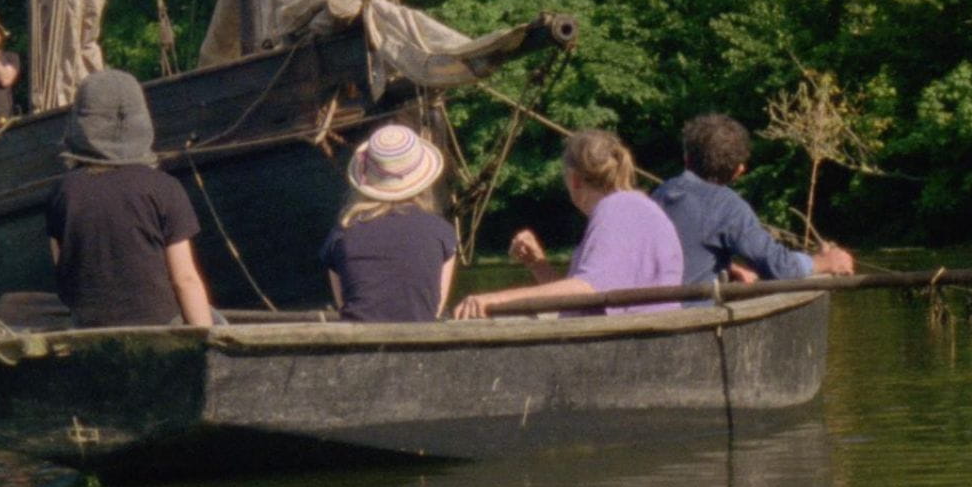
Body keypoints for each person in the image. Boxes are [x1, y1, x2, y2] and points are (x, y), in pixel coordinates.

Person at [45, 69, 215, 327]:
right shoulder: (165, 188)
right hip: (158, 327)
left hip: (90, 329)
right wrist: (205, 343)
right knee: (217, 319)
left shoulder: (63, 191)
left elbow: (64, 272)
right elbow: (185, 279)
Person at [453, 130, 684, 319]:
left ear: (573, 179)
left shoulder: (618, 208)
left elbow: (589, 289)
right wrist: (539, 265)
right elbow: (580, 301)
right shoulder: (633, 208)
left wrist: (493, 300)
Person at [651, 113, 855, 286]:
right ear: (738, 171)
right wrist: (823, 263)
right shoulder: (727, 206)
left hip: (649, 314)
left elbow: (684, 250)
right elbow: (779, 266)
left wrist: (727, 267)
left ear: (686, 159)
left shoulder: (659, 194)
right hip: (690, 321)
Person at [319, 124, 457, 322]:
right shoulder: (442, 232)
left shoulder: (342, 234)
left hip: (358, 346)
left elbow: (345, 305)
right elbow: (433, 308)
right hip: (418, 344)